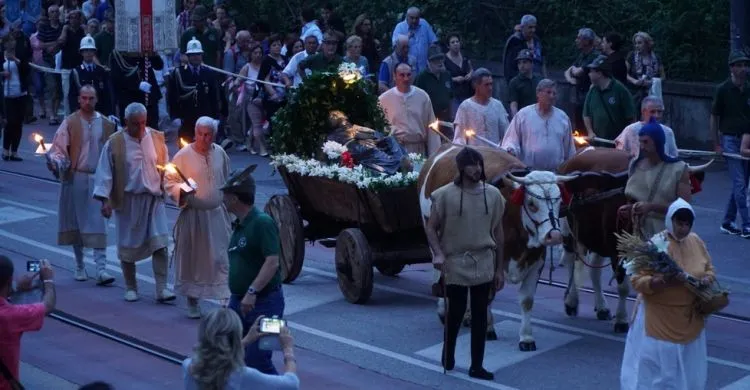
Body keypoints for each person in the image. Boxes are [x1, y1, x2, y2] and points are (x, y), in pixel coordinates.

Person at [424, 147, 505, 381]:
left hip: (484, 261)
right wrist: (437, 254)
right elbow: (431, 227)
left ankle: (476, 366)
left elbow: (498, 234)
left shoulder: (493, 195)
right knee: (456, 313)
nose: (477, 169)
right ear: (461, 168)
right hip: (455, 261)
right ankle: (448, 354)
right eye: (471, 165)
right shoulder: (445, 195)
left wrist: (500, 269)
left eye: (479, 164)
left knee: (480, 316)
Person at [621, 198, 714, 390]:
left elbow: (709, 268)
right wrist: (658, 281)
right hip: (659, 322)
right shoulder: (657, 244)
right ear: (670, 221)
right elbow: (637, 279)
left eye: (687, 224)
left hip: (689, 320)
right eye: (679, 223)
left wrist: (706, 279)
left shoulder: (696, 242)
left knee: (688, 371)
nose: (683, 228)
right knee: (658, 371)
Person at [93, 103, 176, 303]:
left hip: (153, 199)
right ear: (125, 122)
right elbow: (104, 174)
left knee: (160, 244)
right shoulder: (114, 143)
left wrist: (172, 189)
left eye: (142, 123)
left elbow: (166, 168)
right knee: (127, 247)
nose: (140, 128)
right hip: (128, 201)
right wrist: (105, 200)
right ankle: (131, 287)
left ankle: (162, 288)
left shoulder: (156, 137)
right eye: (134, 124)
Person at [48, 85, 117, 285]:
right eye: (84, 98)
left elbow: (113, 154)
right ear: (79, 99)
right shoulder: (69, 122)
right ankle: (79, 266)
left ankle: (101, 269)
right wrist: (57, 161)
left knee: (99, 223)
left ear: (96, 100)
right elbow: (59, 149)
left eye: (91, 98)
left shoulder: (106, 123)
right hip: (76, 177)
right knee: (77, 222)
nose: (87, 101)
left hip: (99, 177)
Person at [220, 164, 285, 374]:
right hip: (238, 301)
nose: (222, 198)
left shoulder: (262, 223)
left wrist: (251, 291)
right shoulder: (239, 224)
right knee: (231, 354)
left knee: (259, 360)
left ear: (234, 198)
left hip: (267, 303)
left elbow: (272, 261)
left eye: (225, 194)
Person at [165, 117, 232, 318]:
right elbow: (170, 182)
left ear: (214, 135)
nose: (204, 138)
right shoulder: (182, 156)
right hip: (194, 217)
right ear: (195, 133)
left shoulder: (220, 153)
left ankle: (225, 299)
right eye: (201, 134)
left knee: (221, 258)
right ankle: (193, 301)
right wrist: (183, 190)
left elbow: (226, 179)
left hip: (217, 215)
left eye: (208, 134)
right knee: (193, 261)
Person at [182, 309, 300, 389]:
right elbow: (291, 384)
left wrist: (246, 340)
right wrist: (288, 350)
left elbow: (216, 353)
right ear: (235, 336)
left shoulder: (189, 366)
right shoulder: (244, 375)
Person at [624, 118, 692, 239]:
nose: (642, 146)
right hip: (635, 236)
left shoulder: (679, 169)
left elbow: (684, 209)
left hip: (666, 236)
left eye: (646, 142)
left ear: (657, 142)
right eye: (640, 142)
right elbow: (631, 199)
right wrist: (629, 209)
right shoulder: (634, 165)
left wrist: (651, 207)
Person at [0, 257, 56, 389]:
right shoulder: (9, 315)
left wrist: (15, 289)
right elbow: (48, 305)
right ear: (9, 280)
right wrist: (48, 280)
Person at [711, 51, 750, 238]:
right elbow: (714, 116)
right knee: (740, 182)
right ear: (732, 68)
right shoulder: (723, 89)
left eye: (745, 65)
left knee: (742, 183)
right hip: (730, 138)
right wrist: (716, 144)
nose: (743, 69)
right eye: (739, 65)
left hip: (746, 138)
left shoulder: (748, 88)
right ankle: (747, 224)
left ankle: (727, 221)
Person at [502, 79, 576, 171]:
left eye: (554, 93)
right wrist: (510, 149)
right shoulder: (523, 115)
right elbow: (511, 140)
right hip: (529, 174)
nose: (552, 96)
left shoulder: (563, 118)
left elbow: (569, 149)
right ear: (538, 93)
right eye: (548, 92)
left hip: (555, 175)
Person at [167, 37, 224, 144]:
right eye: (192, 55)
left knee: (205, 149)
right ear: (188, 56)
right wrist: (174, 116)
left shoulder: (209, 73)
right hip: (185, 118)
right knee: (185, 149)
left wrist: (215, 117)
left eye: (198, 54)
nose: (195, 57)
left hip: (205, 117)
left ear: (202, 55)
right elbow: (172, 96)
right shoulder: (178, 73)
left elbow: (214, 97)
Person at [378, 62, 439, 156]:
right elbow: (378, 130)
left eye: (408, 75)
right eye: (402, 75)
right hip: (395, 150)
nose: (406, 78)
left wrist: (435, 156)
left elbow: (432, 129)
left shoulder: (423, 97)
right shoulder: (383, 100)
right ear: (394, 76)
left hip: (418, 150)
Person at [453, 68, 509, 147]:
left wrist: (506, 147)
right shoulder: (465, 107)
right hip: (474, 156)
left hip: (495, 154)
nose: (490, 88)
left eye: (491, 84)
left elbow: (507, 134)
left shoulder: (498, 105)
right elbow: (459, 138)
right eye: (486, 85)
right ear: (476, 85)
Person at [68, 35, 113, 117]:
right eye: (85, 50)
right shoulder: (76, 72)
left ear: (94, 52)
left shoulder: (101, 71)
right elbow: (72, 96)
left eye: (91, 50)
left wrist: (109, 113)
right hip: (82, 112)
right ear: (81, 52)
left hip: (99, 112)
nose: (88, 53)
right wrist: (74, 113)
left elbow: (107, 94)